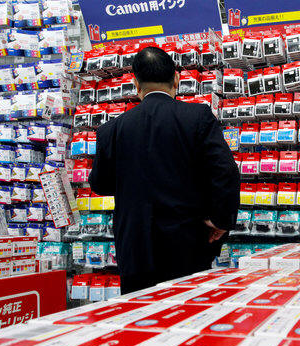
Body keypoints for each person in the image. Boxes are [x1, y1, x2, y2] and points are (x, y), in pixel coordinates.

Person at [89, 46, 240, 293]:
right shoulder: (198, 117)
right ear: (176, 79)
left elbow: (100, 184)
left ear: (136, 84)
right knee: (188, 308)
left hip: (134, 246)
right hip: (187, 241)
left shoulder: (111, 130)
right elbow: (225, 172)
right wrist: (221, 220)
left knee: (139, 311)